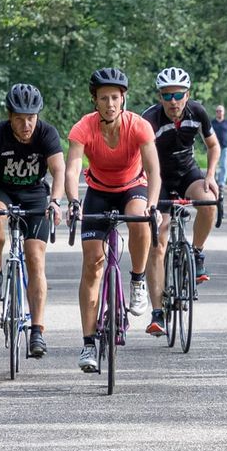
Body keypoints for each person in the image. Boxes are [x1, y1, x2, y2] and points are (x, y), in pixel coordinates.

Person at [65, 67, 162, 372]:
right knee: (93, 264)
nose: (110, 103)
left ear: (124, 99)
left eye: (115, 98)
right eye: (104, 98)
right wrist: (72, 199)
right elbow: (72, 169)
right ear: (95, 100)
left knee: (138, 217)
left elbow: (155, 171)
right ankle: (88, 343)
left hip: (134, 187)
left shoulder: (139, 126)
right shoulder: (84, 127)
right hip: (98, 191)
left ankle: (136, 281)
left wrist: (154, 204)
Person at [0, 84, 66, 359]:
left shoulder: (47, 134)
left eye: (31, 117)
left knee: (36, 259)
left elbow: (58, 171)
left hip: (35, 194)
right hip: (2, 191)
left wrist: (55, 201)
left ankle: (37, 331)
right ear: (9, 116)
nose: (26, 124)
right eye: (20, 118)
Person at [140, 66, 221, 336]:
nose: (172, 101)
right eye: (167, 95)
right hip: (159, 178)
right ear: (160, 96)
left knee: (209, 202)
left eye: (178, 95)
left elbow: (213, 145)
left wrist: (210, 176)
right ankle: (157, 313)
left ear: (188, 95)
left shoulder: (197, 112)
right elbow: (138, 157)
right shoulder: (149, 119)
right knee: (159, 241)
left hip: (187, 173)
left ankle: (196, 252)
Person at [209, 103, 227, 193]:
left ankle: (222, 183)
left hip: (225, 147)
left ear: (224, 112)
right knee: (213, 164)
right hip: (213, 147)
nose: (219, 112)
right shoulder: (212, 123)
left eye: (220, 111)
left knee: (223, 165)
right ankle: (213, 181)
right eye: (217, 111)